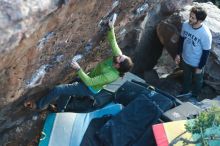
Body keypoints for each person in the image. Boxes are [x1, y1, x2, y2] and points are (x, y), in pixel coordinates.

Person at [24, 14, 133, 111]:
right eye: (121, 56)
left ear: (118, 65)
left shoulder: (111, 76)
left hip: (89, 88)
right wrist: (111, 28)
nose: (119, 55)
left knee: (59, 89)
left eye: (121, 58)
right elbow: (113, 43)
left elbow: (90, 82)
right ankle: (60, 108)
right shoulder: (118, 57)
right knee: (68, 90)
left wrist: (78, 69)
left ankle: (38, 106)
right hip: (89, 78)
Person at [175, 6, 212, 98]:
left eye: (193, 18)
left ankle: (195, 95)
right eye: (190, 16)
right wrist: (178, 54)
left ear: (199, 21)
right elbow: (181, 39)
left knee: (198, 80)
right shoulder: (186, 25)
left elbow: (206, 52)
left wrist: (200, 67)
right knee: (186, 77)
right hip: (185, 58)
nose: (189, 19)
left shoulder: (205, 34)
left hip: (197, 62)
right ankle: (185, 92)